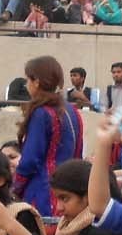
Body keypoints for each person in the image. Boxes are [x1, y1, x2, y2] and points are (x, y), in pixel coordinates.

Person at [14, 57, 84, 216]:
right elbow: (78, 153)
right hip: (70, 192)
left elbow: (30, 160)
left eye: (28, 80)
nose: (26, 85)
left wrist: (14, 189)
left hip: (43, 192)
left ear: (36, 82)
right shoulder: (72, 111)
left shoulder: (41, 112)